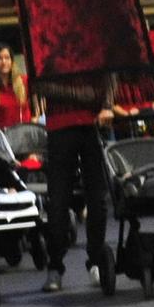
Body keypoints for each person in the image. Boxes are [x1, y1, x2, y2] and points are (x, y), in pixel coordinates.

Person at [37, 78, 113, 293]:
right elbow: (41, 84)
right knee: (58, 201)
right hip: (61, 125)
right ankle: (55, 266)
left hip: (91, 123)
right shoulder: (45, 45)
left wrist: (104, 104)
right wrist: (88, 95)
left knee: (97, 199)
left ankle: (97, 261)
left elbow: (105, 71)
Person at [0, 44, 30, 130]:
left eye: (7, 58)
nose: (4, 62)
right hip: (2, 134)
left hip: (26, 132)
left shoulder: (25, 81)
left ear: (12, 61)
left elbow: (36, 112)